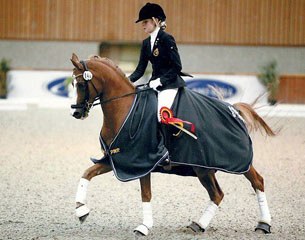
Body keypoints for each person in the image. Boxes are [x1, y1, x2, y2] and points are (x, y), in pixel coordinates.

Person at [129, 2, 192, 124]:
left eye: (145, 22)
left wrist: (160, 81)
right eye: (142, 23)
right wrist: (126, 81)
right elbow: (140, 70)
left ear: (155, 20)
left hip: (169, 85)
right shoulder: (146, 43)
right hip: (153, 84)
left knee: (161, 116)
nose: (143, 25)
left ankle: (164, 143)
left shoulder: (166, 39)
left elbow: (177, 67)